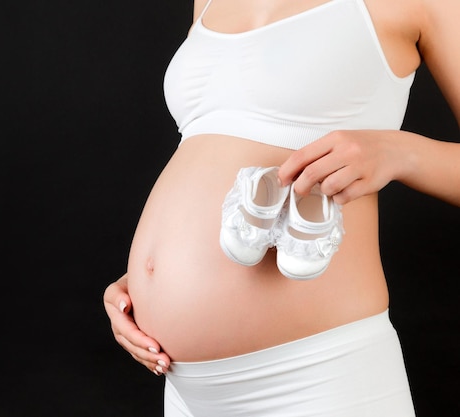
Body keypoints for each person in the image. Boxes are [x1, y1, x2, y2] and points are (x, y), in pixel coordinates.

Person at [103, 0, 460, 415]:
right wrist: (146, 280)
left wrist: (402, 153)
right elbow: (216, 141)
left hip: (317, 378)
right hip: (187, 394)